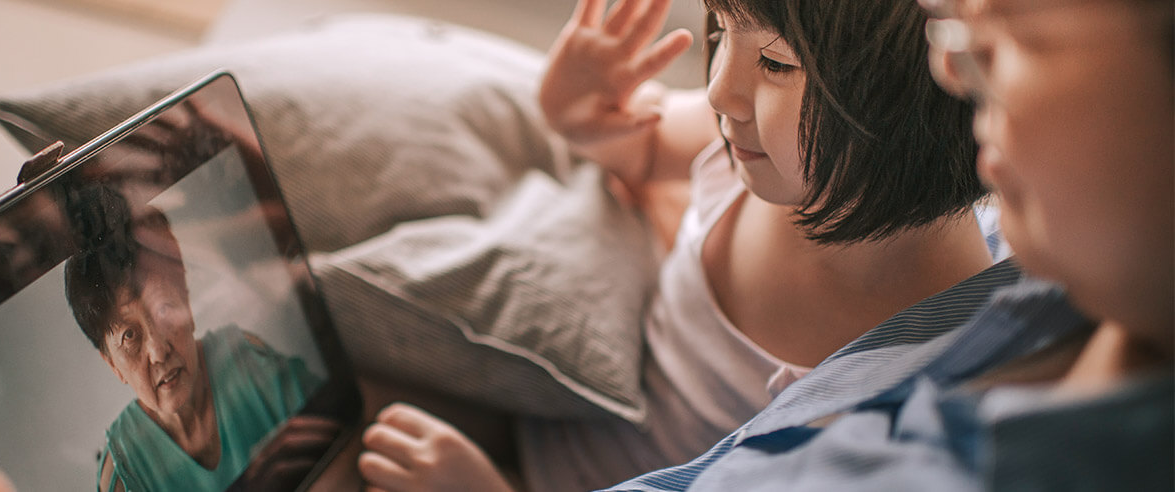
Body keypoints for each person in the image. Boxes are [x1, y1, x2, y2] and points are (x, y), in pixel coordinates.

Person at [359, 0, 1174, 490]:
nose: (718, 90)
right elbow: (636, 143)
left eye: (778, 63)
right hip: (551, 412)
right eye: (718, 28)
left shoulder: (911, 343)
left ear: (912, 111)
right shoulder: (745, 154)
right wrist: (575, 106)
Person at [64, 195, 324, 492]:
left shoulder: (249, 363)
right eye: (129, 336)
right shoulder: (124, 476)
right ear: (113, 364)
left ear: (186, 300)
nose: (159, 351)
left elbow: (340, 430)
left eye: (164, 309)